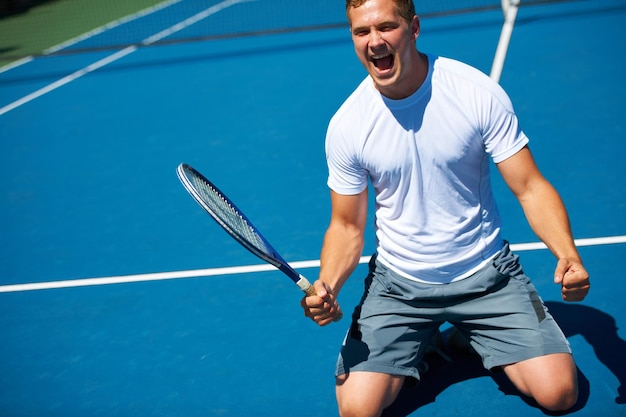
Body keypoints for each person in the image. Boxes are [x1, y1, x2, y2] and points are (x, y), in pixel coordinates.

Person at [300, 0, 591, 416]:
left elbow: (530, 186)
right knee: (357, 411)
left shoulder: (474, 92)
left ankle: (464, 335)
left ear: (414, 27)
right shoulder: (348, 124)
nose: (374, 41)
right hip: (399, 287)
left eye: (386, 27)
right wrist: (328, 283)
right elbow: (346, 227)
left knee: (558, 395)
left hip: (487, 275)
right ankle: (424, 336)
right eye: (361, 32)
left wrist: (568, 255)